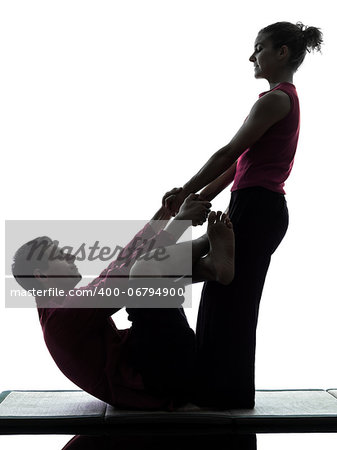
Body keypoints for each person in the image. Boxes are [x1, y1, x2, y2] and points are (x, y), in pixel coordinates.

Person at [162, 21, 323, 408]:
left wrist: (185, 189)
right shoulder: (279, 101)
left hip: (258, 207)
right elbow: (238, 167)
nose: (253, 56)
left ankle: (223, 395)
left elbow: (228, 152)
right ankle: (217, 390)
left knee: (230, 298)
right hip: (250, 205)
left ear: (281, 52)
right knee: (223, 296)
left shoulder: (276, 99)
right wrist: (198, 198)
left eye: (260, 47)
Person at [11, 193, 235, 410]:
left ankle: (210, 268)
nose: (71, 257)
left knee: (147, 276)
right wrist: (180, 221)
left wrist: (163, 214)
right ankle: (206, 241)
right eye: (60, 256)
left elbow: (118, 265)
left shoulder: (59, 308)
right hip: (160, 380)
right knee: (144, 271)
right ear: (41, 276)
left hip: (161, 369)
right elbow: (121, 279)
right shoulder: (61, 317)